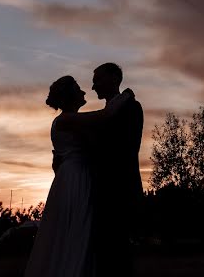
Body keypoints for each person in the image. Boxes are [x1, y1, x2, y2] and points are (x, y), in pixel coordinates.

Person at [24, 75, 134, 277]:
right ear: (71, 95)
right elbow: (105, 116)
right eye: (79, 89)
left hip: (72, 176)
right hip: (76, 177)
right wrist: (124, 97)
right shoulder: (66, 119)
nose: (84, 92)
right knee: (80, 225)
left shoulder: (71, 121)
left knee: (77, 228)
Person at [90, 62, 144, 277]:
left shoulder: (130, 107)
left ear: (114, 79)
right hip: (103, 189)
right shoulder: (112, 108)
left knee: (117, 253)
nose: (93, 87)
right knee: (106, 252)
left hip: (118, 189)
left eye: (97, 80)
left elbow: (125, 149)